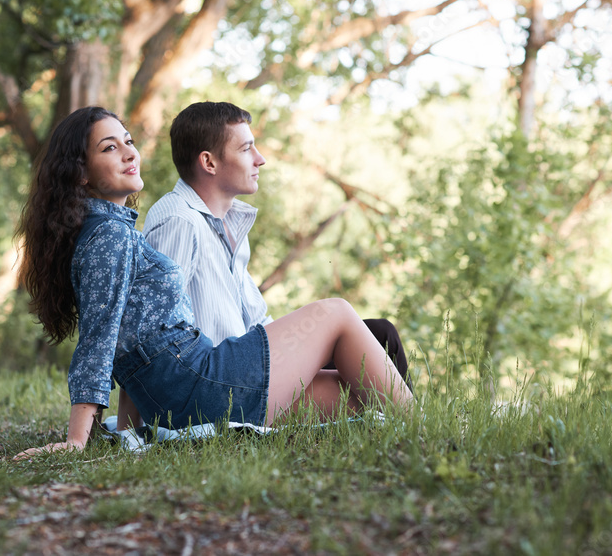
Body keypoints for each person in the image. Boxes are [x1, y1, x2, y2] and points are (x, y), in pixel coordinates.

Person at [13, 107, 413, 460]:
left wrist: (131, 429)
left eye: (128, 142)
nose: (130, 153)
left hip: (192, 386)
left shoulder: (113, 232)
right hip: (199, 380)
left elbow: (130, 342)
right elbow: (100, 339)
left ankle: (418, 434)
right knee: (337, 312)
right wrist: (77, 439)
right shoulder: (111, 238)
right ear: (80, 173)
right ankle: (425, 433)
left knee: (356, 393)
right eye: (109, 148)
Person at [142, 101, 411, 381]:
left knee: (381, 335)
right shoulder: (178, 220)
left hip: (253, 359)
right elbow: (152, 331)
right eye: (246, 149)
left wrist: (302, 350)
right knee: (347, 329)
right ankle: (405, 419)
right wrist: (130, 421)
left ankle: (405, 422)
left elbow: (257, 321)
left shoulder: (229, 222)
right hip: (224, 377)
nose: (260, 159)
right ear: (209, 162)